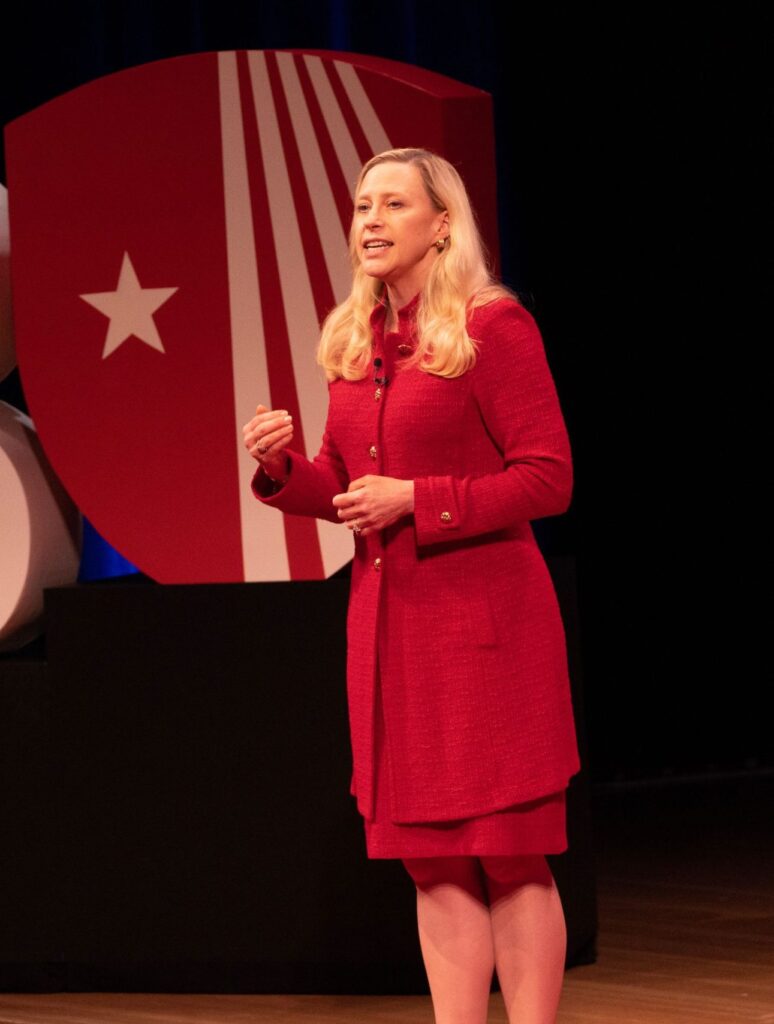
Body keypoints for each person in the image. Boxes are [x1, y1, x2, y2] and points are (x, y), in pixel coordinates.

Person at [242, 147, 580, 1024]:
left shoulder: (492, 328)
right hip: (393, 639)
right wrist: (284, 470)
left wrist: (421, 500)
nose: (372, 222)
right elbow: (346, 485)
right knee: (432, 861)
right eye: (361, 207)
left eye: (394, 204)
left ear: (442, 224)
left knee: (510, 856)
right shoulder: (355, 345)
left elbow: (549, 478)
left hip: (486, 632)